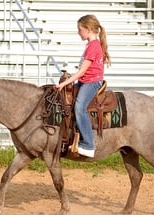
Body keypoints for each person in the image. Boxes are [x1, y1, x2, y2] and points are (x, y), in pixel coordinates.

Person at [54, 14, 111, 158]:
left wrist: (64, 83)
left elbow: (82, 72)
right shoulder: (92, 45)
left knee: (80, 107)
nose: (78, 32)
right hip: (86, 80)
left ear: (89, 29)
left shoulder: (93, 47)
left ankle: (88, 144)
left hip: (91, 82)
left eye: (80, 29)